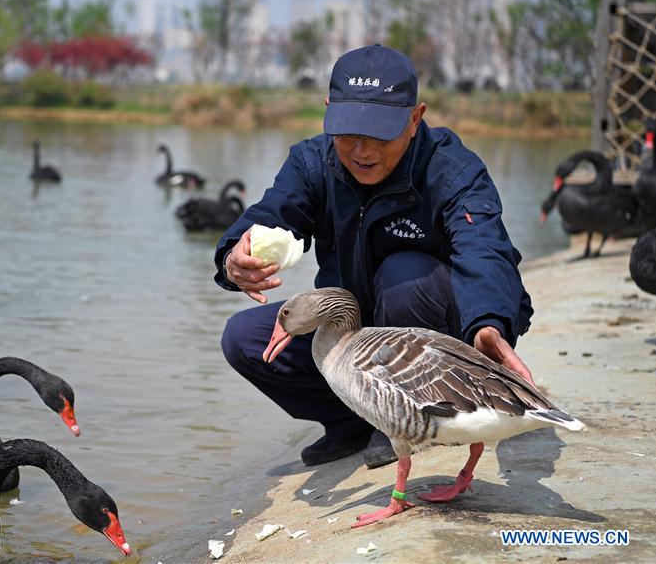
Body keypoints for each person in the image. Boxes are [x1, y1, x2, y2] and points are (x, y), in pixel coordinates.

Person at [214, 45, 535, 468]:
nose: (362, 151)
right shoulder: (313, 162)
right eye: (347, 133)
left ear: (415, 118)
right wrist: (234, 256)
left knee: (405, 276)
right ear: (329, 111)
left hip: (436, 338)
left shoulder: (452, 170)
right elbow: (270, 216)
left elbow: (485, 251)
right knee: (246, 339)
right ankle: (350, 421)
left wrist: (488, 323)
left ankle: (408, 426)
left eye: (380, 134)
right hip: (355, 333)